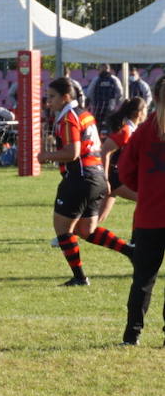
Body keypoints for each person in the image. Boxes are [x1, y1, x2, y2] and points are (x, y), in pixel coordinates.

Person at [37, 76, 136, 285]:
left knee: (63, 229)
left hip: (79, 178)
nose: (49, 101)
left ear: (65, 97)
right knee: (86, 230)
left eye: (52, 97)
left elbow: (72, 152)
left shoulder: (67, 118)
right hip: (97, 176)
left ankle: (79, 277)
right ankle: (131, 252)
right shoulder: (85, 114)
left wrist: (46, 156)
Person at [116, 75, 165, 345]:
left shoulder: (144, 131)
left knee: (143, 279)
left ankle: (132, 334)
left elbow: (125, 171)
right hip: (151, 213)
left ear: (154, 99)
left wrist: (145, 189)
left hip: (148, 217)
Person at [99, 96, 146, 224]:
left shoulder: (134, 130)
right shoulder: (126, 131)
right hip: (115, 178)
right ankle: (135, 241)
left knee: (95, 220)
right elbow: (104, 151)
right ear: (139, 113)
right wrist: (106, 179)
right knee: (145, 200)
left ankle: (66, 234)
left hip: (117, 177)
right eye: (146, 109)